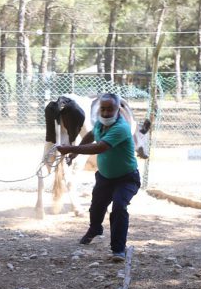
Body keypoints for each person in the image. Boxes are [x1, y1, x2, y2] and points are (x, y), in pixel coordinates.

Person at [56, 93, 140, 263]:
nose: (106, 112)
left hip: (126, 178)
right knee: (96, 207)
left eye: (110, 109)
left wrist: (70, 148)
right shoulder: (101, 124)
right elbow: (91, 135)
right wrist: (74, 151)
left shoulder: (121, 128)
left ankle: (118, 250)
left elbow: (100, 147)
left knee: (119, 207)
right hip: (105, 177)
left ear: (118, 110)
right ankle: (95, 229)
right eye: (103, 108)